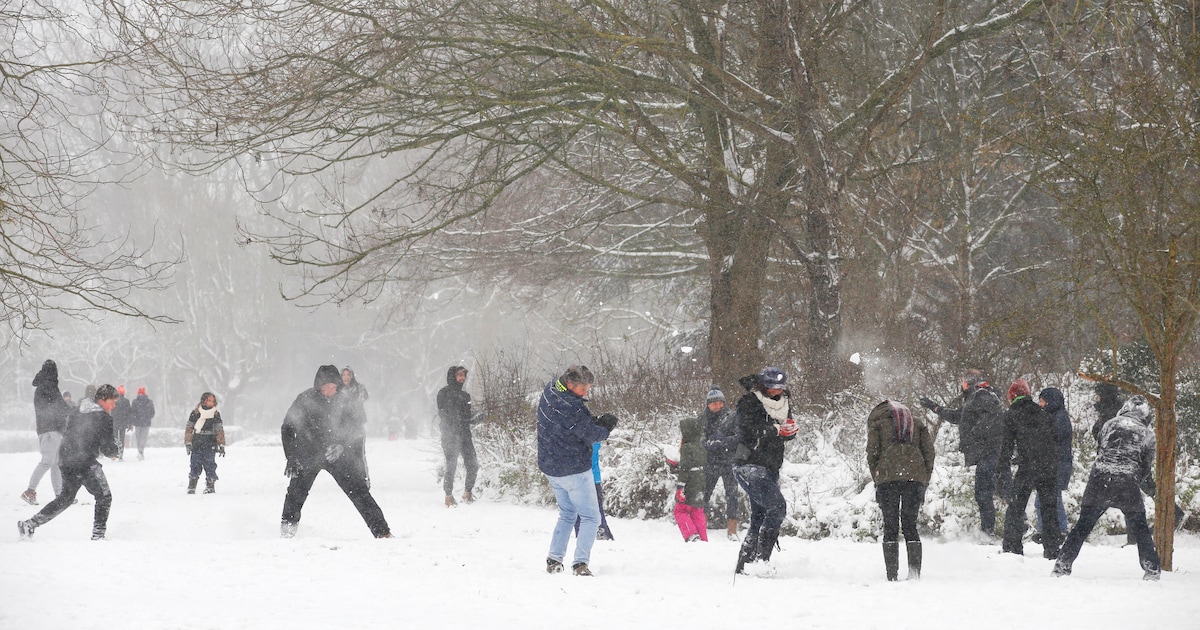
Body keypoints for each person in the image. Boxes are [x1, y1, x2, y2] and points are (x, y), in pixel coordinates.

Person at [1054, 395, 1160, 580]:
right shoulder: (1147, 434)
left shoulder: (1109, 424)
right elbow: (1145, 466)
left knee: (1083, 526)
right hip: (1127, 482)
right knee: (1141, 528)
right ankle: (1151, 570)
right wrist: (1133, 479)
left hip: (1100, 479)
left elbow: (1100, 450)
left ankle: (1062, 564)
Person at [281, 365, 392, 539]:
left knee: (359, 491)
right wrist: (291, 457)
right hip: (308, 453)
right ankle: (287, 532)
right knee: (296, 493)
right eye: (325, 387)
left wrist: (342, 445)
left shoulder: (346, 400)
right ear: (318, 386)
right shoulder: (305, 399)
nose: (329, 391)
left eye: (333, 387)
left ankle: (382, 532)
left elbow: (356, 429)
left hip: (336, 454)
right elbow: (287, 427)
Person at [537, 365, 617, 576]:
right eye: (584, 389)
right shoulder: (571, 407)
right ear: (571, 385)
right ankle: (580, 564)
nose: (586, 394)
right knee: (591, 518)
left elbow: (573, 426)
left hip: (550, 467)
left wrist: (590, 422)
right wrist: (605, 428)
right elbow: (591, 434)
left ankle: (554, 559)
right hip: (573, 469)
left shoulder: (551, 391)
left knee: (567, 513)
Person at [18, 385, 121, 541]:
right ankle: (98, 535)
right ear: (102, 400)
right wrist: (116, 449)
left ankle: (30, 524)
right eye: (112, 402)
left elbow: (70, 434)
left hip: (65, 460)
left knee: (65, 498)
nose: (114, 406)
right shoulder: (104, 418)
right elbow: (107, 449)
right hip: (84, 462)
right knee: (104, 496)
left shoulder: (78, 410)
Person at [919, 369, 1009, 539]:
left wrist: (972, 436)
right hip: (987, 453)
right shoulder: (974, 399)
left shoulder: (982, 396)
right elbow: (957, 416)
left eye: (962, 381)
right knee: (987, 492)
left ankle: (989, 532)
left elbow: (988, 421)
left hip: (989, 453)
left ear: (968, 382)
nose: (961, 384)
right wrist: (934, 407)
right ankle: (990, 530)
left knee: (986, 493)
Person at [733, 367, 798, 574]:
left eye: (780, 387)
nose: (775, 391)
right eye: (771, 387)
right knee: (777, 508)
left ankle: (745, 564)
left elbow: (783, 431)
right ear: (762, 385)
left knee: (759, 516)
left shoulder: (784, 403)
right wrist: (776, 430)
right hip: (748, 463)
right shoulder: (749, 401)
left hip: (771, 465)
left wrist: (789, 432)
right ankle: (761, 561)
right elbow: (747, 429)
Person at [866, 400, 935, 581]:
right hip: (914, 479)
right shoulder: (916, 423)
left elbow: (872, 453)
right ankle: (914, 574)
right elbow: (929, 453)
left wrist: (878, 476)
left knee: (890, 526)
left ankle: (892, 575)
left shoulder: (878, 425)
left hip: (887, 479)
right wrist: (923, 477)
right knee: (910, 525)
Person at [998, 379, 1063, 558]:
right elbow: (1054, 441)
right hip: (1048, 466)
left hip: (1028, 466)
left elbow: (1006, 447)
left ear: (1012, 397)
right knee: (1049, 508)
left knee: (1016, 507)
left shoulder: (1011, 415)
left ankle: (1012, 547)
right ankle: (1052, 549)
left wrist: (1003, 468)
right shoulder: (1043, 413)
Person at [21, 360, 72, 505]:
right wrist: (73, 412)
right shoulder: (49, 385)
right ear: (53, 372)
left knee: (55, 462)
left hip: (46, 429)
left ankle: (60, 495)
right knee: (48, 462)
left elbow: (54, 406)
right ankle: (29, 491)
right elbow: (59, 406)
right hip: (50, 429)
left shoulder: (42, 386)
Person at [701, 385, 742, 541]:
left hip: (729, 462)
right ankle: (701, 525)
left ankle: (732, 531)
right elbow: (700, 440)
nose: (717, 405)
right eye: (713, 403)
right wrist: (708, 444)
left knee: (732, 495)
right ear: (708, 404)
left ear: (723, 403)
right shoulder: (703, 419)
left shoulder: (732, 417)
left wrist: (723, 442)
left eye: (720, 402)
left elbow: (739, 437)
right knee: (704, 494)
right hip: (710, 463)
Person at [1033, 387, 1072, 544]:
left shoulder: (1058, 418)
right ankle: (1050, 529)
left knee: (1050, 499)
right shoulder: (1056, 416)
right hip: (1055, 464)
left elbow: (1052, 439)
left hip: (1055, 466)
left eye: (1042, 401)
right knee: (1051, 499)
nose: (1041, 404)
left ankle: (1055, 530)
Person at [437, 365, 479, 506]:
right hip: (450, 435)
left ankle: (467, 493)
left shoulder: (465, 396)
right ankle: (448, 496)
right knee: (451, 465)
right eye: (459, 375)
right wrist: (466, 419)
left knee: (473, 464)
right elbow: (446, 415)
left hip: (465, 435)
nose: (462, 378)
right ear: (452, 376)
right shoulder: (443, 393)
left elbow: (466, 416)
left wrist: (476, 417)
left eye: (463, 375)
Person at [674, 410, 708, 542]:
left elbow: (685, 468)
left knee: (680, 510)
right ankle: (703, 538)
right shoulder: (701, 446)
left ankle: (692, 535)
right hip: (701, 480)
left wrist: (680, 487)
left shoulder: (687, 447)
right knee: (697, 510)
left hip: (690, 482)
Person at [184, 392, 226, 494]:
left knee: (210, 464)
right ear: (203, 401)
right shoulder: (196, 413)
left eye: (213, 401)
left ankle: (210, 485)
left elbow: (219, 430)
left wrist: (221, 444)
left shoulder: (215, 414)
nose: (211, 403)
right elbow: (189, 428)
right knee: (195, 464)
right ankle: (192, 485)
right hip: (197, 442)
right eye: (209, 400)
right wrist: (188, 442)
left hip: (210, 443)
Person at [575, 442, 614, 540]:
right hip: (590, 478)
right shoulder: (591, 436)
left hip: (584, 479)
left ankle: (590, 534)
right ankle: (600, 534)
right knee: (594, 509)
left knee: (582, 510)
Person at [130, 387, 156, 461]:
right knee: (143, 438)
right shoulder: (149, 402)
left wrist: (134, 420)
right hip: (146, 423)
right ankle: (141, 451)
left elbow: (132, 412)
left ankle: (140, 451)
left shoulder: (135, 402)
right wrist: (148, 418)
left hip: (137, 423)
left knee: (138, 438)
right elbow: (152, 412)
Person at [111, 385, 134, 461]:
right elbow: (129, 413)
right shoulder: (126, 401)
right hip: (123, 423)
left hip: (114, 422)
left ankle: (114, 453)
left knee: (115, 438)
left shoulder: (113, 400)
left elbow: (110, 412)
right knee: (121, 438)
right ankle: (120, 455)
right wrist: (130, 423)